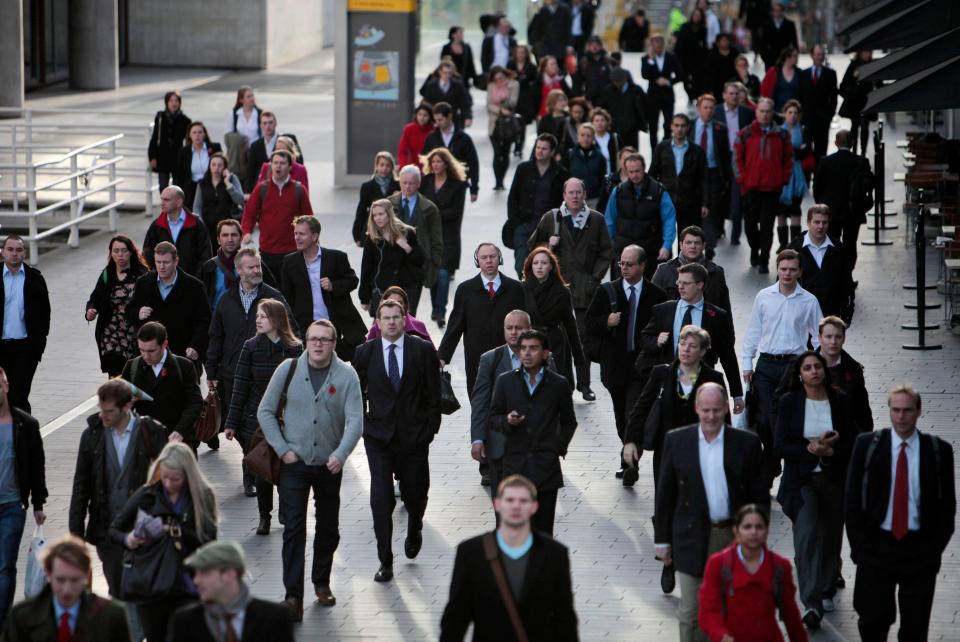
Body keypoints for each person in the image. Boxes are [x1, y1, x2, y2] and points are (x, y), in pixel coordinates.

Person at [257, 320, 363, 617]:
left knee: (328, 527)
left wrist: (342, 454)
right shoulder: (288, 370)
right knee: (293, 527)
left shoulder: (346, 375)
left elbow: (356, 420)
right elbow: (264, 411)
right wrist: (282, 448)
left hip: (329, 465)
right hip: (295, 464)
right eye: (313, 339)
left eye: (324, 340)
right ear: (305, 341)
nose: (318, 344)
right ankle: (293, 596)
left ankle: (322, 583)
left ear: (333, 343)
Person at [654, 383, 768, 642]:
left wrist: (757, 534)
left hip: (732, 537)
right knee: (692, 612)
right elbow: (665, 496)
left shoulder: (747, 444)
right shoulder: (677, 441)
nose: (711, 416)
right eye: (706, 410)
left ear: (726, 408)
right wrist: (662, 541)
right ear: (696, 408)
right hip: (691, 536)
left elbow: (759, 495)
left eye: (717, 410)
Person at [844, 385, 956, 642]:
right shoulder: (867, 446)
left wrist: (933, 549)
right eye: (895, 410)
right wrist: (860, 549)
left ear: (919, 412)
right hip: (876, 548)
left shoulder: (938, 451)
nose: (901, 416)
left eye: (907, 410)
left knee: (915, 629)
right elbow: (851, 502)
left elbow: (947, 507)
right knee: (873, 623)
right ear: (889, 410)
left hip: (919, 552)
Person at [352, 300, 442, 583]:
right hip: (379, 437)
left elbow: (433, 394)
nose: (391, 322)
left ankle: (415, 526)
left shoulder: (422, 350)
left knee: (416, 494)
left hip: (414, 437)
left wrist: (429, 430)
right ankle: (385, 560)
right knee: (381, 498)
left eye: (395, 317)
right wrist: (365, 424)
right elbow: (355, 394)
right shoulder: (365, 353)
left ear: (405, 320)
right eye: (385, 318)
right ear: (377, 322)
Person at [439, 475, 578, 642]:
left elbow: (565, 618)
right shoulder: (471, 553)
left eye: (523, 501)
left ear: (534, 507)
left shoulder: (554, 554)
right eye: (510, 500)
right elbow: (456, 616)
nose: (516, 506)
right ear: (497, 504)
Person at [774, 351, 855, 629]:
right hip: (801, 480)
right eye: (807, 368)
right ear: (800, 374)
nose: (813, 371)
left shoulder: (840, 401)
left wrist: (831, 449)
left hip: (833, 478)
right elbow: (779, 444)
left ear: (824, 371)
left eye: (817, 366)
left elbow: (853, 441)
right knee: (807, 534)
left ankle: (827, 585)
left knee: (831, 536)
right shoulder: (790, 402)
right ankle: (811, 602)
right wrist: (810, 449)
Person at [69, 379, 167, 599]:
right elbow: (81, 486)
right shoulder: (92, 436)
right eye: (101, 410)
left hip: (144, 529)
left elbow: (166, 481)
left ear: (127, 407)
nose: (103, 416)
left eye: (109, 411)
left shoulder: (151, 432)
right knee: (118, 591)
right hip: (107, 530)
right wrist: (75, 536)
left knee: (144, 591)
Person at [109, 442, 217, 642]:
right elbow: (114, 530)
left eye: (175, 479)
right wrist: (129, 539)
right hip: (152, 583)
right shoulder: (148, 494)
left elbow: (209, 542)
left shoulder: (202, 497)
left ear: (188, 474)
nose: (168, 484)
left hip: (188, 585)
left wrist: (175, 531)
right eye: (164, 476)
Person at [206, 247, 294, 471]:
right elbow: (216, 337)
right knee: (241, 425)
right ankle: (252, 466)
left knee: (258, 422)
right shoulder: (226, 301)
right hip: (233, 372)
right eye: (251, 267)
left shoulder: (273, 297)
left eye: (258, 266)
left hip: (266, 375)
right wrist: (212, 372)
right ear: (239, 271)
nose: (257, 270)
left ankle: (254, 474)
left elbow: (292, 331)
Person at [741, 249, 823, 488]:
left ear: (799, 271)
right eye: (783, 269)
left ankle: (777, 463)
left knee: (789, 418)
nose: (787, 273)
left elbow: (817, 339)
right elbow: (754, 331)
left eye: (792, 269)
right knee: (764, 419)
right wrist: (747, 363)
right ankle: (773, 459)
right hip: (766, 365)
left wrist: (817, 366)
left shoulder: (809, 300)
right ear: (778, 269)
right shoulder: (764, 297)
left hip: (794, 367)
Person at [585, 245, 668, 479]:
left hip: (642, 366)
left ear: (643, 266)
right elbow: (589, 323)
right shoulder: (607, 291)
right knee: (621, 415)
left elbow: (663, 327)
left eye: (630, 264)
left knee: (634, 413)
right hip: (614, 365)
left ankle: (630, 463)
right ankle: (628, 451)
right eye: (622, 263)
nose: (624, 268)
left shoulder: (656, 295)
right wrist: (606, 322)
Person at [225, 298, 303, 535]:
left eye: (263, 316)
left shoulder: (294, 349)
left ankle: (284, 509)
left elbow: (302, 386)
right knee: (262, 469)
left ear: (277, 320)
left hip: (287, 419)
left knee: (285, 467)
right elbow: (240, 387)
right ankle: (264, 516)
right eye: (257, 316)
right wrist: (231, 422)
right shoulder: (250, 347)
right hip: (255, 419)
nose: (257, 320)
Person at [489, 330, 577, 536]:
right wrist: (507, 421)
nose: (527, 353)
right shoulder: (506, 381)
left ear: (545, 353)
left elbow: (569, 422)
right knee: (513, 530)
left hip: (545, 469)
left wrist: (557, 447)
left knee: (543, 532)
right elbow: (493, 418)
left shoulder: (558, 384)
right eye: (523, 348)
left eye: (534, 348)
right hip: (514, 468)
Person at [625, 325, 728, 489]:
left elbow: (724, 418)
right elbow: (641, 409)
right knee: (664, 499)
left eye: (692, 346)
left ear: (702, 351)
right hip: (666, 449)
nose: (685, 349)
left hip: (699, 450)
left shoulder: (713, 378)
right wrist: (630, 441)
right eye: (682, 343)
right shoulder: (661, 374)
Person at [527, 178, 612, 378]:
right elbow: (533, 247)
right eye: (570, 193)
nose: (574, 196)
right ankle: (567, 382)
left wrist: (594, 279)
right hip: (556, 289)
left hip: (585, 289)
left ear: (584, 194)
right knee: (562, 338)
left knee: (583, 337)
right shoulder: (552, 218)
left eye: (578, 192)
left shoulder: (596, 220)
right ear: (564, 195)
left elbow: (606, 252)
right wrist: (549, 245)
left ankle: (584, 382)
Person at [698, 505, 808, 642]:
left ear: (767, 531)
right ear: (736, 531)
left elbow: (791, 616)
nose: (753, 532)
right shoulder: (718, 564)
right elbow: (708, 610)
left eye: (759, 527)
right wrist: (720, 634)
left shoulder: (779, 566)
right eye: (747, 527)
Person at [640, 263, 743, 402]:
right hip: (667, 383)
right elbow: (644, 337)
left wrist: (737, 395)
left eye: (686, 283)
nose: (680, 287)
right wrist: (656, 341)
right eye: (679, 282)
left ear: (700, 284)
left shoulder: (716, 316)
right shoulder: (664, 310)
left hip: (700, 386)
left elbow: (728, 356)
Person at [470, 310, 547, 494]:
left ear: (529, 329)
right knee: (502, 504)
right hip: (500, 444)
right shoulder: (490, 359)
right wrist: (477, 438)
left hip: (533, 445)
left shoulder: (544, 359)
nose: (513, 332)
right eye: (509, 328)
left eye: (518, 328)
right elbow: (480, 402)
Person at [0, 535, 130, 642]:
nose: (67, 590)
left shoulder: (113, 616)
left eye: (75, 580)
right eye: (60, 580)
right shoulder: (22, 617)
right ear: (48, 574)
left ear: (86, 575)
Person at [438, 243, 525, 398]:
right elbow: (455, 326)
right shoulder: (465, 290)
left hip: (509, 357)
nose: (489, 261)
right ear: (477, 261)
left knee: (508, 402)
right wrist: (442, 357)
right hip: (476, 359)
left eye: (492, 256)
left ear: (499, 258)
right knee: (479, 404)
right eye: (484, 257)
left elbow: (526, 325)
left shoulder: (515, 288)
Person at [168, 540, 295, 642]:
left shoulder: (275, 618)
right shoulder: (184, 622)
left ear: (229, 575)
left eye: (204, 573)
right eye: (196, 573)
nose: (196, 580)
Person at [0, 366, 46, 629]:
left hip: (12, 505)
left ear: (6, 387)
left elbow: (36, 464)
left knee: (6, 565)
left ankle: (3, 619)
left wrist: (38, 502)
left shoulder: (25, 424)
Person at [283, 214, 366, 351]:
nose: (297, 237)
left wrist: (334, 285)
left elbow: (352, 281)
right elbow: (287, 296)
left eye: (301, 234)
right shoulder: (290, 262)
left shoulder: (336, 257)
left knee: (351, 361)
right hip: (306, 327)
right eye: (295, 233)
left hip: (337, 323)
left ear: (314, 236)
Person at [127, 242, 210, 369]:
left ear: (176, 261)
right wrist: (138, 312)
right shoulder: (144, 283)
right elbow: (129, 312)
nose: (161, 267)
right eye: (158, 262)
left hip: (183, 356)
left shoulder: (194, 287)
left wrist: (195, 346)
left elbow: (204, 321)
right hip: (149, 357)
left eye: (166, 262)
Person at [735, 98, 793, 273]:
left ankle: (764, 259)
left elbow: (788, 159)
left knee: (767, 225)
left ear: (772, 112)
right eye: (761, 111)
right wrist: (742, 179)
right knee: (750, 225)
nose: (765, 114)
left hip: (772, 189)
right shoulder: (745, 133)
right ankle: (755, 247)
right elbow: (737, 159)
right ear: (756, 112)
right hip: (750, 188)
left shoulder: (782, 135)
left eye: (768, 111)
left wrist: (783, 179)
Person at [121, 322, 203, 447]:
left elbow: (194, 403)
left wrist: (180, 430)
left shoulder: (184, 366)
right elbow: (122, 404)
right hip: (144, 442)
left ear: (164, 344)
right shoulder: (132, 367)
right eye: (141, 350)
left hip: (177, 441)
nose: (146, 356)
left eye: (151, 351)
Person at [521, 248, 587, 395]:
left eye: (543, 263)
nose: (539, 266)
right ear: (530, 266)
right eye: (535, 263)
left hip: (554, 345)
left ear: (551, 266)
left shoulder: (562, 292)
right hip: (528, 346)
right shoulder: (522, 289)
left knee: (553, 392)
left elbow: (570, 326)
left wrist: (579, 359)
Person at [240, 149, 314, 280]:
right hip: (267, 251)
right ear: (271, 165)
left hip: (293, 251)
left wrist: (310, 244)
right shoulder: (262, 188)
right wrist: (246, 232)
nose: (278, 166)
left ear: (290, 167)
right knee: (270, 292)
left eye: (282, 163)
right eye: (275, 163)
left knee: (291, 292)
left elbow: (309, 219)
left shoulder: (299, 190)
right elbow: (250, 211)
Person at [85, 235, 150, 378]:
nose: (120, 255)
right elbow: (94, 298)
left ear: (131, 252)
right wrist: (90, 311)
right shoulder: (107, 274)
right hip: (111, 332)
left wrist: (142, 312)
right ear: (111, 253)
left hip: (133, 331)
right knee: (114, 374)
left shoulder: (142, 274)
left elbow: (151, 300)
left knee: (133, 374)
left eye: (124, 251)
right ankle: (116, 397)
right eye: (116, 251)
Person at [604, 154, 676, 279]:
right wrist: (610, 244)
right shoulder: (619, 191)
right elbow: (610, 219)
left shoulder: (658, 191)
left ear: (644, 169)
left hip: (650, 251)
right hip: (622, 249)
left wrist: (667, 245)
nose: (634, 175)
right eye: (631, 172)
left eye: (637, 171)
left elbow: (669, 219)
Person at [506, 134, 569, 276]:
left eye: (544, 148)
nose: (539, 151)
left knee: (544, 268)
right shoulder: (524, 169)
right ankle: (526, 295)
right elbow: (513, 196)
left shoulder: (561, 173)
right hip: (524, 226)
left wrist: (558, 229)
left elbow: (564, 203)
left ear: (552, 151)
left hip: (547, 229)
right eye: (538, 147)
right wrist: (515, 222)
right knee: (521, 265)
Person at [0, 239, 48, 417]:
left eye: (18, 250)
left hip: (25, 349)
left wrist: (38, 346)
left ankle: (24, 436)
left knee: (18, 396)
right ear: (2, 251)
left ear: (24, 253)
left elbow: (45, 314)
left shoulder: (35, 278)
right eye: (10, 249)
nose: (14, 253)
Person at [421, 148, 469, 327]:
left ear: (447, 163)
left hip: (448, 236)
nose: (435, 165)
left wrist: (432, 213)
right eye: (433, 162)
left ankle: (440, 311)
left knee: (442, 273)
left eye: (439, 161)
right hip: (428, 237)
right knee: (433, 273)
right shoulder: (426, 181)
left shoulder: (457, 185)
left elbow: (456, 212)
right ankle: (436, 307)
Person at [813, 129, 874, 268]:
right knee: (850, 243)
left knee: (832, 243)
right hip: (853, 210)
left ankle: (834, 274)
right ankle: (847, 276)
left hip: (831, 210)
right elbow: (870, 184)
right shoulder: (861, 161)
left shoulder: (826, 162)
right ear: (852, 143)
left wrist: (821, 205)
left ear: (835, 143)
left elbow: (817, 187)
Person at [389, 165, 443, 316]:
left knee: (410, 311)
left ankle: (407, 338)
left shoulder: (429, 208)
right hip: (392, 266)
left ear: (418, 183)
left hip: (415, 267)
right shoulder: (388, 205)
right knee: (390, 310)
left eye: (411, 183)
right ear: (399, 182)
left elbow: (436, 239)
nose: (407, 186)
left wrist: (433, 264)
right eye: (404, 182)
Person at [359, 198, 427, 318]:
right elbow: (366, 268)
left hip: (406, 288)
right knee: (382, 326)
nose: (377, 218)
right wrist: (364, 297)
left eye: (381, 214)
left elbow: (420, 260)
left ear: (389, 214)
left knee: (407, 324)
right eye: (374, 215)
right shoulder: (372, 238)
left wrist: (407, 248)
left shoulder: (407, 232)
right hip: (381, 289)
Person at [788, 205, 855, 323]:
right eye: (817, 222)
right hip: (802, 317)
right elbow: (784, 282)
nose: (820, 226)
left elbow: (846, 282)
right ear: (808, 222)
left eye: (824, 222)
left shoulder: (838, 249)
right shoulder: (795, 248)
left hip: (830, 315)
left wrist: (847, 314)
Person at [649, 114, 708, 239]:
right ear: (671, 127)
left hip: (689, 202)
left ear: (688, 127)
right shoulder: (662, 148)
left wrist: (704, 203)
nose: (679, 129)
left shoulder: (697, 151)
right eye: (676, 125)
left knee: (687, 239)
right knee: (664, 238)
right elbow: (652, 174)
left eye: (682, 126)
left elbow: (703, 179)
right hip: (666, 200)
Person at [652, 225, 732, 314]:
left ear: (703, 246)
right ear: (681, 245)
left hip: (706, 325)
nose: (693, 246)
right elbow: (651, 304)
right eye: (688, 242)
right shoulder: (664, 271)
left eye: (697, 243)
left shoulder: (716, 273)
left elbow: (725, 309)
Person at [713, 82, 755, 245]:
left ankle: (735, 234)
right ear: (724, 95)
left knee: (737, 197)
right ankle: (719, 228)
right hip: (721, 159)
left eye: (736, 94)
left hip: (739, 158)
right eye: (730, 93)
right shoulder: (716, 112)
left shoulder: (747, 113)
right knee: (720, 194)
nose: (734, 96)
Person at [689, 95, 732, 250]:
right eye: (705, 107)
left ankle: (709, 247)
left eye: (711, 108)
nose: (708, 111)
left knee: (711, 212)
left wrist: (726, 178)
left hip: (713, 174)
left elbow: (725, 155)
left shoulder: (720, 128)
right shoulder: (690, 126)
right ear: (698, 109)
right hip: (693, 174)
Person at [817, 315, 872, 433]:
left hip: (844, 434)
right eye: (828, 337)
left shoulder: (854, 369)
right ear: (819, 338)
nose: (833, 342)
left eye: (838, 337)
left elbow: (862, 409)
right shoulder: (803, 366)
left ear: (844, 338)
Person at [143, 186, 212, 276]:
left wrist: (197, 279)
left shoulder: (196, 224)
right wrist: (156, 274)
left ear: (179, 202)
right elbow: (147, 251)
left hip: (191, 282)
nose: (162, 203)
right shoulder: (156, 225)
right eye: (162, 199)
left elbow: (206, 254)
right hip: (163, 282)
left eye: (167, 200)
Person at [774, 99, 811, 251]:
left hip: (797, 175)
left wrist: (793, 151)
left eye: (796, 113)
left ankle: (795, 244)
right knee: (781, 211)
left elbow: (806, 151)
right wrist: (796, 150)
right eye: (790, 112)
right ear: (784, 114)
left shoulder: (803, 130)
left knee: (795, 208)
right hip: (782, 174)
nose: (793, 116)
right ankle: (783, 244)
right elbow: (778, 152)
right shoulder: (778, 131)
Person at [641, 33, 684, 148]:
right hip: (653, 96)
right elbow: (644, 74)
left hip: (667, 95)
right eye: (655, 42)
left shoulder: (671, 57)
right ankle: (654, 151)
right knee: (653, 126)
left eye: (660, 42)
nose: (658, 45)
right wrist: (650, 60)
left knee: (668, 124)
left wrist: (668, 81)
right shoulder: (646, 58)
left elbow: (680, 74)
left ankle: (666, 147)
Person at [191, 152, 243, 242]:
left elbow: (240, 200)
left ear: (225, 167)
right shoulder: (203, 183)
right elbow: (197, 206)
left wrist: (228, 185)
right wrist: (199, 224)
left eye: (220, 165)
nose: (216, 168)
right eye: (213, 165)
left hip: (229, 226)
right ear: (209, 166)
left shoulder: (232, 179)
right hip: (208, 226)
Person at [799, 45, 837, 164]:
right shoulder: (804, 74)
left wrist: (829, 115)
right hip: (807, 120)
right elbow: (799, 96)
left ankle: (819, 178)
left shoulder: (830, 74)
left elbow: (834, 97)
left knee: (821, 152)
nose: (820, 57)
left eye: (822, 54)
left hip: (823, 120)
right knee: (806, 150)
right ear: (812, 55)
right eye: (817, 54)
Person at [148, 90, 191, 196]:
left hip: (178, 157)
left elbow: (188, 141)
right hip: (162, 157)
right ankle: (165, 208)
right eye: (171, 101)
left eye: (176, 101)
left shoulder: (185, 120)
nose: (174, 103)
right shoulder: (160, 117)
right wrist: (152, 156)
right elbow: (155, 137)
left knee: (177, 187)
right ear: (167, 103)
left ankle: (175, 208)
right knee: (163, 186)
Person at [354, 152, 401, 247]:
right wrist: (357, 235)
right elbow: (361, 211)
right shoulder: (367, 186)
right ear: (376, 166)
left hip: (393, 229)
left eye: (388, 165)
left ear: (392, 167)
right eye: (381, 165)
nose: (384, 168)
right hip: (373, 229)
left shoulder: (398, 185)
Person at [596, 67, 648, 152]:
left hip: (631, 129)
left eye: (618, 81)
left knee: (631, 151)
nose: (616, 83)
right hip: (615, 128)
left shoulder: (636, 90)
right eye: (614, 81)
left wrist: (642, 123)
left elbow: (644, 107)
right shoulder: (608, 91)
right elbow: (603, 107)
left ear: (624, 79)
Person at [838, 51, 880, 157]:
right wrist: (854, 76)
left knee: (865, 127)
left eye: (869, 52)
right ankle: (854, 151)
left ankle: (863, 152)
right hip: (855, 102)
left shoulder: (873, 64)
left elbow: (879, 83)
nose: (867, 54)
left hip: (867, 101)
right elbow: (844, 85)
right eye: (865, 52)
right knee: (855, 126)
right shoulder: (854, 65)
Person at [173, 121, 222, 210]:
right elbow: (178, 175)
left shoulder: (214, 147)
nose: (197, 135)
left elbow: (222, 166)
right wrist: (177, 194)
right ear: (190, 135)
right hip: (191, 189)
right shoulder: (184, 152)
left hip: (210, 186)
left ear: (204, 134)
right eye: (194, 132)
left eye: (200, 132)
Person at [198, 219, 243, 313]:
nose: (230, 239)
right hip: (216, 320)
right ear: (218, 240)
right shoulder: (208, 268)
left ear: (241, 238)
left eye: (234, 235)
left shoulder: (252, 264)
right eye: (225, 235)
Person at [486, 66, 520, 191]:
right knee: (497, 152)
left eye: (501, 77)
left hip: (508, 124)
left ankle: (502, 179)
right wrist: (500, 109)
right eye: (496, 77)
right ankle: (497, 181)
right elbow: (489, 105)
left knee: (505, 153)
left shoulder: (514, 85)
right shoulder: (491, 86)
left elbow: (513, 102)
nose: (498, 79)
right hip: (494, 123)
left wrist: (504, 103)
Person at [365, 286, 432, 344]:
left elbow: (432, 355)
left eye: (399, 302)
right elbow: (367, 354)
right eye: (391, 302)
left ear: (405, 305)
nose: (395, 306)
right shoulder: (375, 328)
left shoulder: (419, 326)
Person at [420, 60, 473, 131]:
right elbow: (427, 103)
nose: (447, 75)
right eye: (445, 72)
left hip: (453, 120)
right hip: (436, 121)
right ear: (440, 72)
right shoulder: (431, 85)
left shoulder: (458, 85)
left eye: (449, 73)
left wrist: (468, 117)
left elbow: (465, 103)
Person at [508, 45, 538, 157]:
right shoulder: (510, 65)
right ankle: (515, 142)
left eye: (522, 52)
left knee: (523, 124)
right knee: (513, 123)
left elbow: (535, 82)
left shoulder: (531, 67)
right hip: (513, 98)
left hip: (526, 99)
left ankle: (520, 146)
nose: (520, 55)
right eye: (518, 52)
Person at [566, 124, 607, 206]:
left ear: (593, 138)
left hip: (593, 199)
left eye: (589, 136)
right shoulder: (570, 154)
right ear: (578, 136)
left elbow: (602, 179)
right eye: (582, 135)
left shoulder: (599, 156)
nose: (585, 138)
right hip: (573, 199)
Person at [675, 9, 708, 103]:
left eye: (699, 15)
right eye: (695, 15)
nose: (696, 17)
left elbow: (704, 45)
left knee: (697, 81)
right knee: (685, 81)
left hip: (698, 61)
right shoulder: (685, 27)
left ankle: (694, 98)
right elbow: (679, 44)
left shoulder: (703, 29)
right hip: (685, 59)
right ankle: (690, 97)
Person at [243, 110, 279, 193]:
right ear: (261, 126)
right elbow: (250, 172)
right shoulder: (255, 146)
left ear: (275, 123)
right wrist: (248, 193)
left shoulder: (283, 141)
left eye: (270, 122)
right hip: (261, 189)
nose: (268, 126)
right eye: (265, 123)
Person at [757, 3, 798, 70]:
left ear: (782, 11)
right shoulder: (767, 25)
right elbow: (762, 44)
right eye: (775, 10)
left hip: (786, 59)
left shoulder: (790, 25)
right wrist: (765, 58)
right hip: (770, 60)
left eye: (779, 10)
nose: (777, 13)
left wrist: (794, 58)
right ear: (772, 12)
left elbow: (794, 43)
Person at [537, 88, 575, 159]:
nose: (563, 103)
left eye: (564, 100)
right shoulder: (545, 119)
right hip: (547, 153)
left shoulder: (570, 118)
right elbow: (541, 137)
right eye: (560, 100)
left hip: (565, 154)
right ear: (552, 102)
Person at [397, 104, 435, 169]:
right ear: (416, 115)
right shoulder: (409, 129)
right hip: (413, 168)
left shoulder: (434, 130)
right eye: (419, 114)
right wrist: (404, 167)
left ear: (430, 117)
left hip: (431, 168)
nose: (422, 117)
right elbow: (402, 151)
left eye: (425, 115)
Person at [533, 58, 568, 123]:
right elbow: (534, 99)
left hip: (560, 115)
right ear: (545, 67)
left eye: (555, 63)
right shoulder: (539, 80)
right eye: (552, 64)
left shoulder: (561, 80)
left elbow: (568, 95)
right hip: (542, 115)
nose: (555, 66)